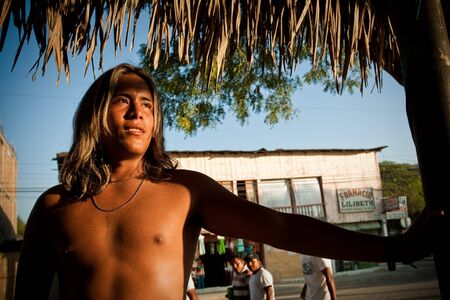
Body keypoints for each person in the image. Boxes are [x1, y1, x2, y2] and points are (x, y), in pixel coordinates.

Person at [14, 63, 444, 300]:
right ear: (95, 116)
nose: (137, 113)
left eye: (147, 104)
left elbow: (283, 227)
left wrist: (393, 248)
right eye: (123, 102)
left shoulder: (183, 190)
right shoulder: (54, 206)